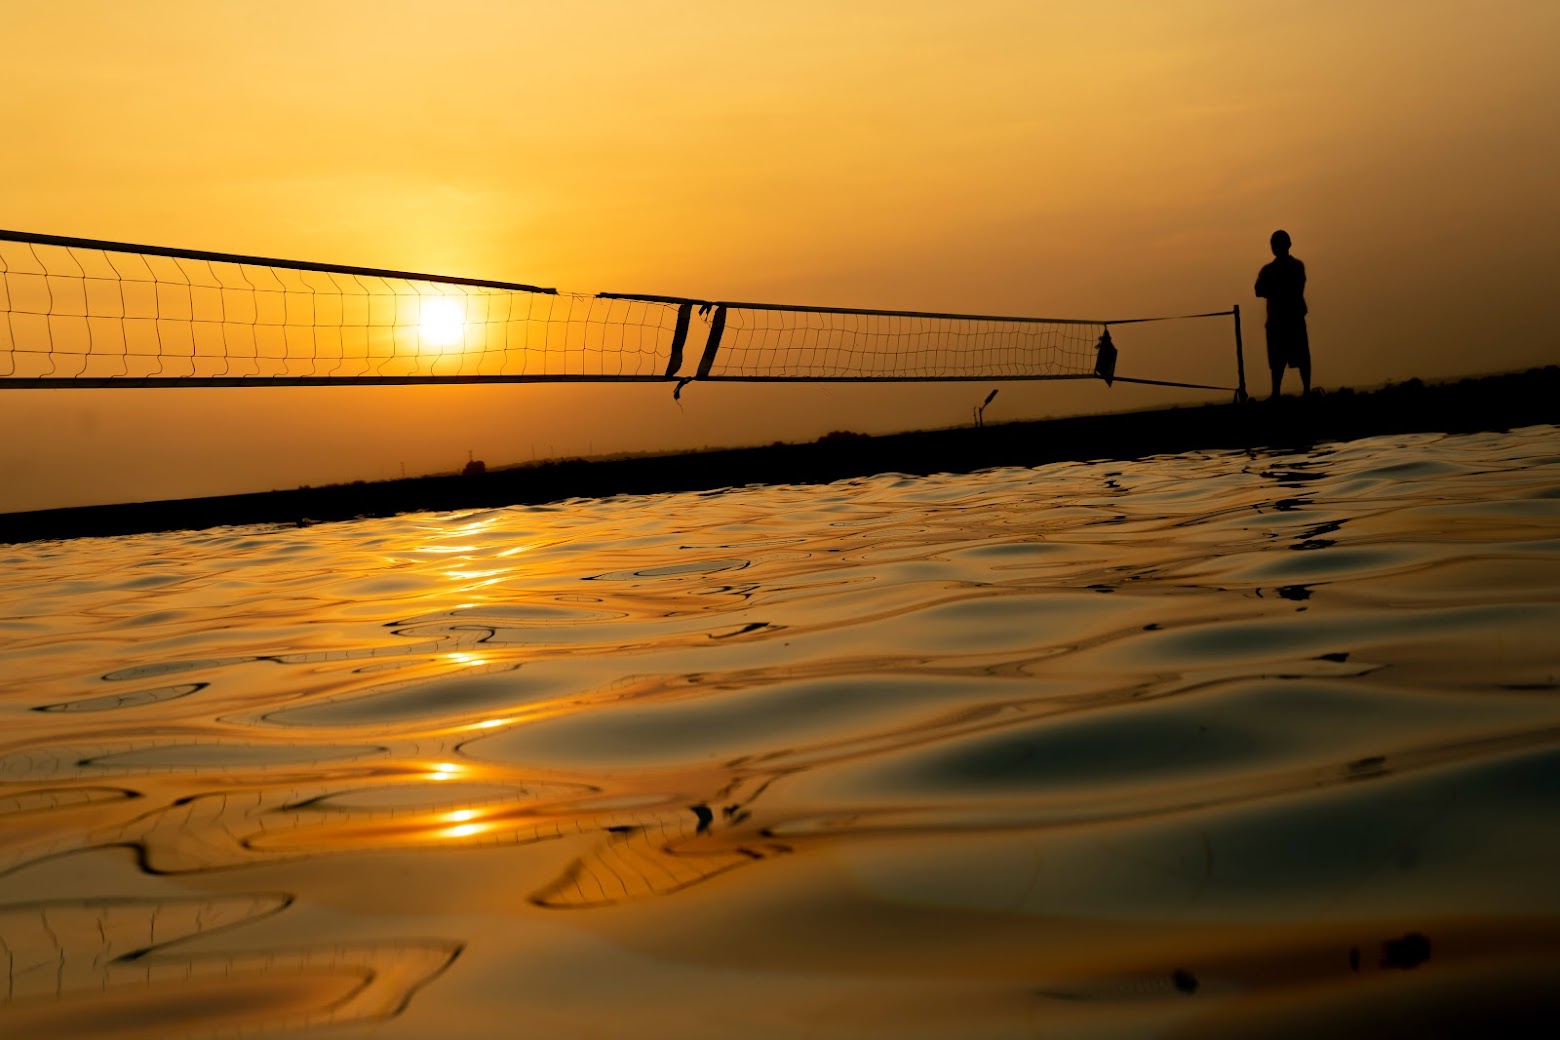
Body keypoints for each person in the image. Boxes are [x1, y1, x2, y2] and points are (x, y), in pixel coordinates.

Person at [1254, 229, 1310, 399]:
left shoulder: (1279, 269)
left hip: (1288, 320)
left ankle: (1302, 391)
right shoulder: (1289, 267)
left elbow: (1261, 290)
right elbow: (1258, 290)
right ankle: (1280, 393)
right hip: (1281, 321)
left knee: (1297, 358)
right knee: (1279, 361)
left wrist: (1274, 288)